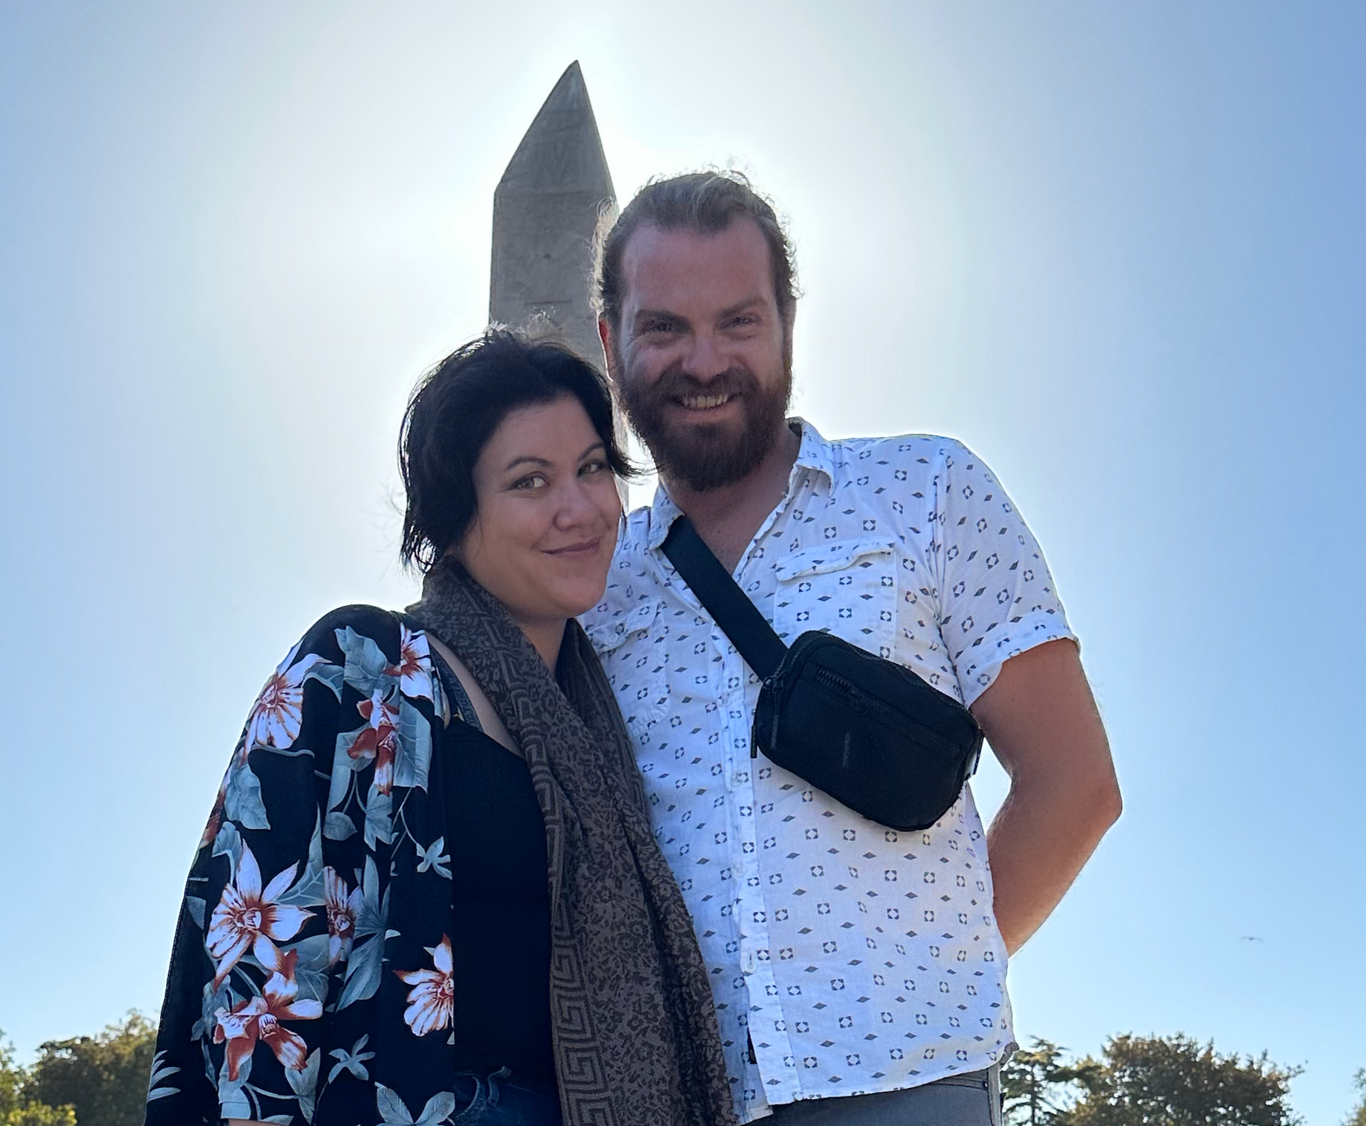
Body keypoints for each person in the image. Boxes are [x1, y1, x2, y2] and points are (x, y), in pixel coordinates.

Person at [583, 172, 1123, 1126]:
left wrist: (932, 977)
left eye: (739, 322)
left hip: (913, 1084)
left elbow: (1073, 781)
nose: (704, 360)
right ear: (610, 344)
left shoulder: (929, 490)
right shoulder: (591, 580)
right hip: (680, 1099)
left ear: (788, 323)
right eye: (664, 327)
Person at [144, 330, 737, 1126]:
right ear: (455, 520)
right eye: (530, 481)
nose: (580, 509)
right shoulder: (360, 666)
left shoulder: (599, 719)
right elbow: (250, 960)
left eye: (593, 468)